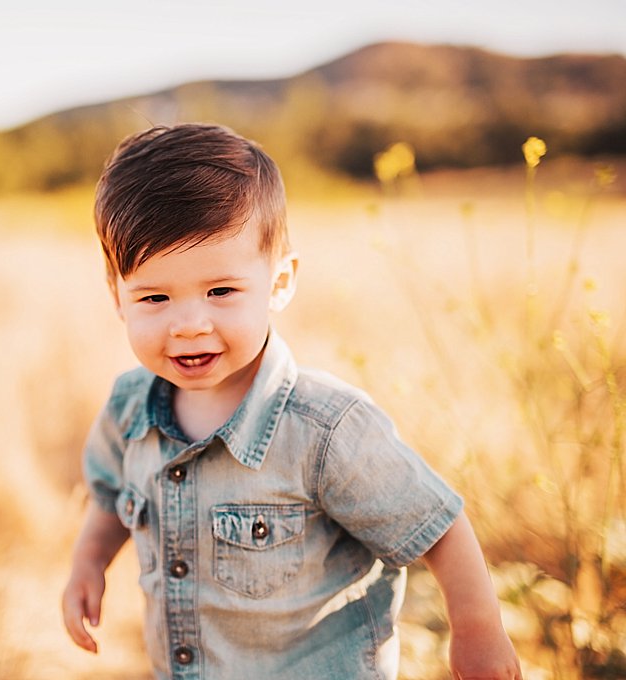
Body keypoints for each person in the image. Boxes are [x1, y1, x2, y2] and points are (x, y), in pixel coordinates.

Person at [58, 124, 520, 679]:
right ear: (118, 296)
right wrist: (89, 562)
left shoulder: (325, 429)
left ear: (279, 283)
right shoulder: (129, 409)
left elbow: (437, 526)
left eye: (221, 291)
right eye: (154, 297)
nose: (189, 325)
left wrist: (478, 629)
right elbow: (110, 494)